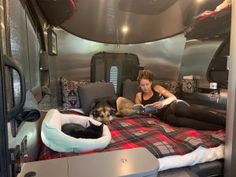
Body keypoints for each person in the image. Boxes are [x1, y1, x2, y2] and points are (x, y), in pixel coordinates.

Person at [135, 69, 226, 130]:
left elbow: (173, 97)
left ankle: (224, 121)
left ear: (151, 82)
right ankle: (219, 127)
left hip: (173, 106)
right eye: (142, 85)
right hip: (165, 116)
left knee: (185, 112)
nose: (145, 87)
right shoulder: (139, 96)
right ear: (139, 85)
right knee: (181, 122)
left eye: (147, 84)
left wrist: (163, 102)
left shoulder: (157, 88)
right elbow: (139, 110)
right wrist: (145, 112)